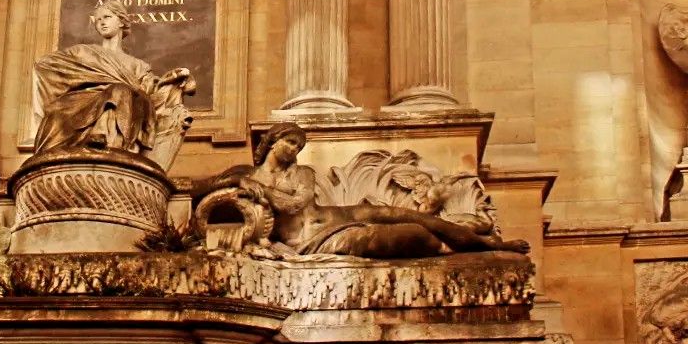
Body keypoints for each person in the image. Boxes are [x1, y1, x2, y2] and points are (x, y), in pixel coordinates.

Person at [207, 123, 529, 259]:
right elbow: (203, 187)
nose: (293, 149)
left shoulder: (303, 172)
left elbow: (297, 203)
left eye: (298, 145)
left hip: (338, 216)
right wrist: (239, 182)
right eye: (289, 142)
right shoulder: (245, 174)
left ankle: (487, 244)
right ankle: (458, 248)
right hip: (316, 241)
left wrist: (260, 191)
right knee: (418, 235)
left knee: (413, 215)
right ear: (272, 141)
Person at [33, 0, 196, 171]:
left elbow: (151, 91)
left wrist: (171, 80)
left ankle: (103, 136)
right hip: (82, 102)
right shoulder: (82, 52)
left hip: (123, 102)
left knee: (121, 91)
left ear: (121, 21)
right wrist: (88, 77)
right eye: (98, 19)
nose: (101, 22)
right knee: (112, 93)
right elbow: (45, 65)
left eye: (107, 17)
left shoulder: (138, 65)